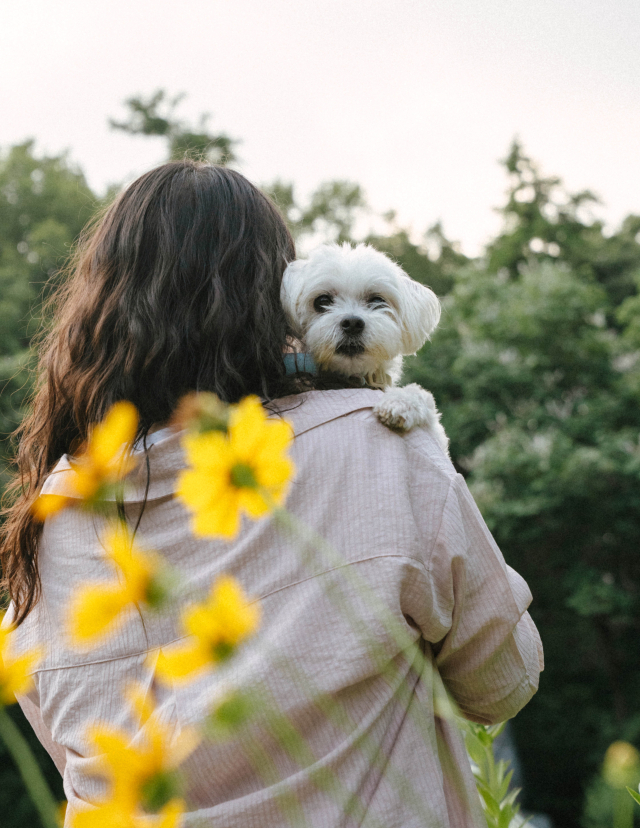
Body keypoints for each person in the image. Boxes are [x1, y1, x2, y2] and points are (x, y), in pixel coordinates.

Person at [1, 160, 543, 827]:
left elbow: (70, 746)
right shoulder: (383, 443)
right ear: (275, 299)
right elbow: (501, 682)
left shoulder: (51, 520)